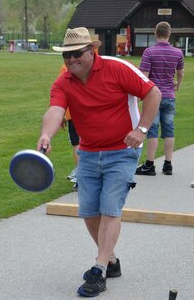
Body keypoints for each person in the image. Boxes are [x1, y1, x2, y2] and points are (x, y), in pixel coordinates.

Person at [36, 27, 161, 298]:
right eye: (66, 55)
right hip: (89, 152)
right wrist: (46, 134)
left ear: (91, 51)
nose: (71, 60)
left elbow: (154, 94)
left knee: (110, 208)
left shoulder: (117, 68)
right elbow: (56, 111)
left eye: (76, 54)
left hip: (122, 151)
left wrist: (141, 129)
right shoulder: (63, 82)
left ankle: (99, 268)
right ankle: (112, 260)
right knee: (90, 212)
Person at [136, 21, 184, 176]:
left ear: (155, 33)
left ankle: (150, 165)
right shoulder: (178, 53)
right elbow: (180, 73)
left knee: (152, 131)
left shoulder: (149, 52)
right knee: (169, 130)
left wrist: (140, 94)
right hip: (169, 95)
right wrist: (178, 85)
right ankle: (168, 164)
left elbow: (144, 76)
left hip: (153, 97)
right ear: (169, 34)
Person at [59, 65, 80, 188]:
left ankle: (79, 174)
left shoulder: (66, 67)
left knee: (77, 144)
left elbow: (62, 92)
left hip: (73, 112)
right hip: (89, 112)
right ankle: (81, 174)